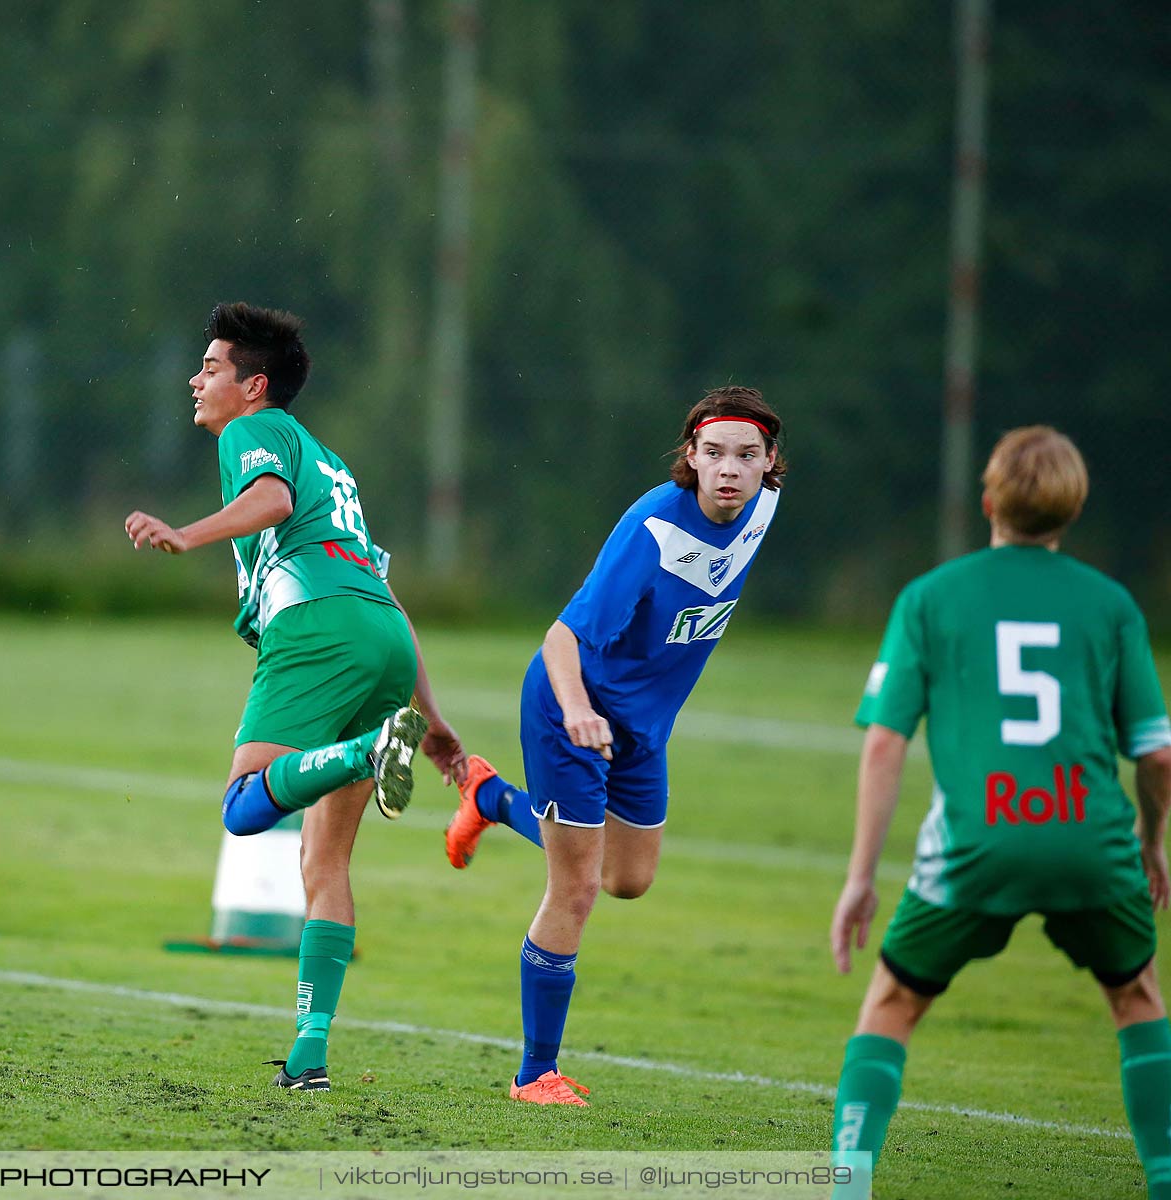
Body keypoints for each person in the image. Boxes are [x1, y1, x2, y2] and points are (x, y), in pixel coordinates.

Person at [124, 302, 465, 1092]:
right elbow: (381, 583)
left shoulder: (256, 431)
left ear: (255, 385)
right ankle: (310, 1052)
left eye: (211, 368)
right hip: (382, 633)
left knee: (246, 807)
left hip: (316, 628)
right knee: (324, 859)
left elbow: (270, 503)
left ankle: (361, 752)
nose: (196, 379)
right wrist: (435, 719)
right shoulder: (331, 462)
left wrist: (186, 533)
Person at [828, 427, 1171, 1196]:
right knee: (1137, 995)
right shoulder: (1112, 606)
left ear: (988, 501)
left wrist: (860, 877)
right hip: (1091, 839)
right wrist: (1152, 844)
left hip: (979, 841)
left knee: (893, 1001)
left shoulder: (931, 597)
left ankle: (846, 1184)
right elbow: (1156, 756)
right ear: (1072, 510)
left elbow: (885, 744)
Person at [442, 387, 785, 1105]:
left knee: (628, 878)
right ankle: (534, 1073)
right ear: (689, 455)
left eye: (747, 456)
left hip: (642, 728)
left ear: (769, 464)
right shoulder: (652, 529)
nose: (730, 469)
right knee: (576, 888)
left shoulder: (763, 509)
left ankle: (491, 796)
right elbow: (560, 637)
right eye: (714, 452)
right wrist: (576, 712)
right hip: (572, 710)